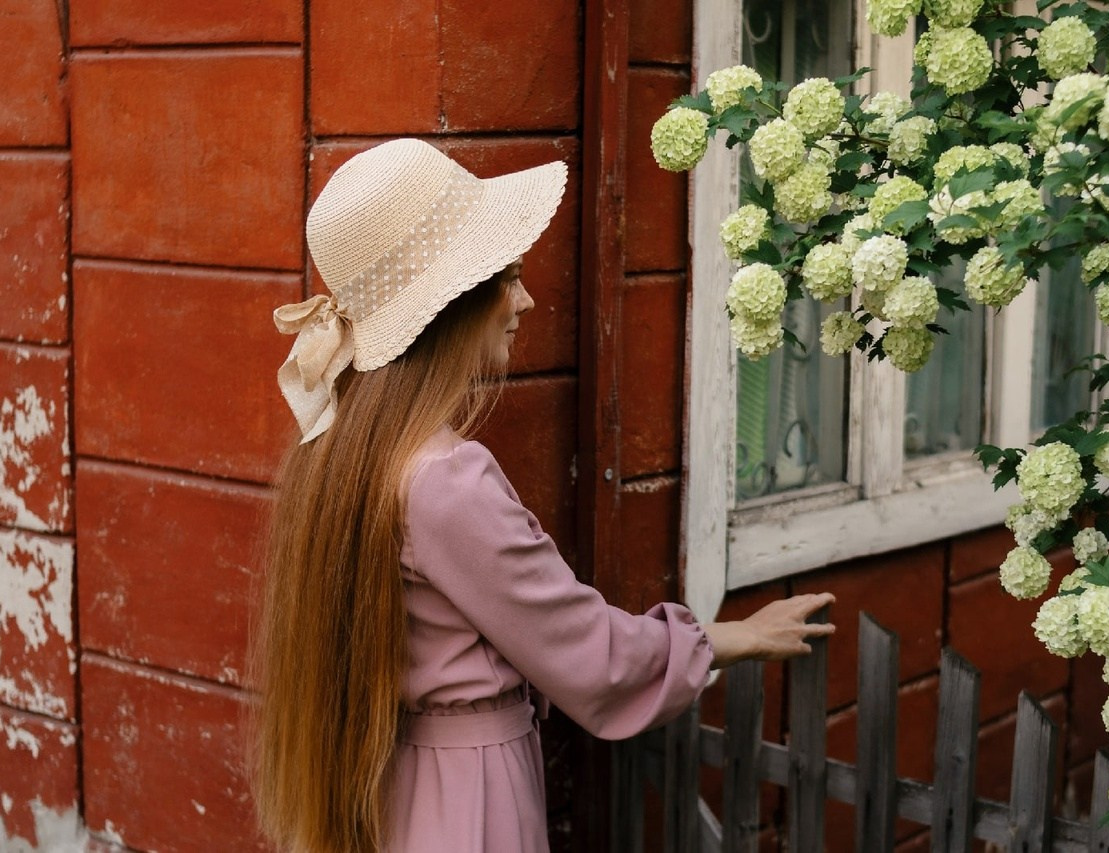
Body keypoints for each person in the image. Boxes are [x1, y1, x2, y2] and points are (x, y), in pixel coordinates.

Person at [250, 138, 836, 853]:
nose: (526, 300)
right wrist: (722, 638)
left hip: (390, 791)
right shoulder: (444, 478)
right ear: (454, 304)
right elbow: (585, 651)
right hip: (468, 801)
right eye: (510, 276)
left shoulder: (339, 452)